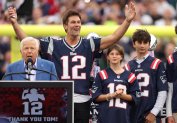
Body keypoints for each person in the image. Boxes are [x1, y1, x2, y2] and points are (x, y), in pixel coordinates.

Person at [7, 1, 136, 122]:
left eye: (79, 22)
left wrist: (127, 21)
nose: (77, 25)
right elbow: (28, 42)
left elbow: (114, 37)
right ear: (65, 26)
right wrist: (14, 23)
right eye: (73, 22)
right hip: (60, 99)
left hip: (83, 99)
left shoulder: (89, 44)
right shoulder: (54, 44)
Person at [124, 29, 168, 123]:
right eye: (139, 42)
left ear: (149, 44)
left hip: (150, 112)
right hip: (133, 113)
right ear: (134, 44)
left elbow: (163, 91)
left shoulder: (157, 63)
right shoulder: (128, 66)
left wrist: (154, 112)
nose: (142, 45)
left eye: (145, 42)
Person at [92, 44, 140, 123]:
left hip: (124, 117)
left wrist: (122, 95)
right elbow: (95, 96)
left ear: (121, 57)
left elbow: (136, 97)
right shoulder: (101, 74)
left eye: (117, 54)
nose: (114, 56)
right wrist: (111, 95)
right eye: (112, 54)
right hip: (106, 117)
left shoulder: (130, 76)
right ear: (107, 57)